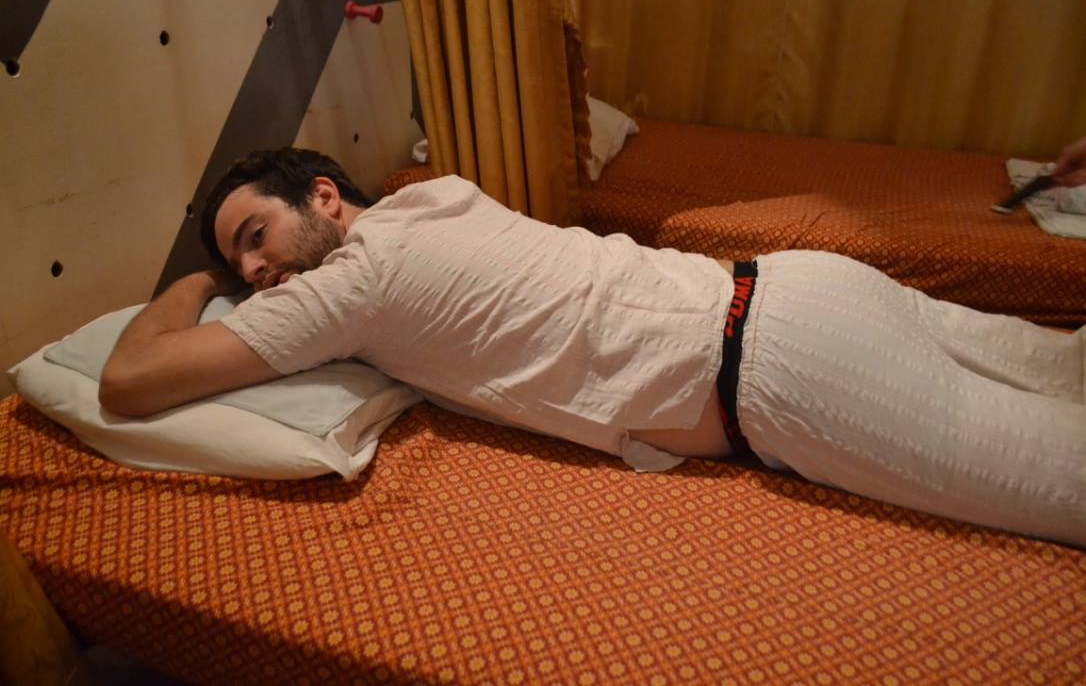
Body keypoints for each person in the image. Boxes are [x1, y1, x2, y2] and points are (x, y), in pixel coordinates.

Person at [100, 148, 1086, 546]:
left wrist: (197, 286)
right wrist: (241, 272)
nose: (256, 271)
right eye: (240, 265)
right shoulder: (432, 194)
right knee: (1067, 364)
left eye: (254, 239)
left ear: (323, 196)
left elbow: (130, 384)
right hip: (796, 284)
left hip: (785, 366)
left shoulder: (348, 286)